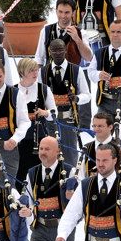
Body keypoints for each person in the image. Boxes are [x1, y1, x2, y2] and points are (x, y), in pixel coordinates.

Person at [40, 39, 91, 168]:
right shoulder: (42, 72)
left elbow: (87, 95)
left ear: (66, 50)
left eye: (61, 49)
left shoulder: (76, 70)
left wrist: (77, 98)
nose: (58, 53)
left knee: (70, 155)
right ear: (49, 51)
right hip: (49, 121)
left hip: (69, 120)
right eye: (54, 50)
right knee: (50, 154)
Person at [15, 58, 57, 187]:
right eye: (31, 70)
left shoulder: (44, 90)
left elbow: (54, 113)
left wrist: (46, 113)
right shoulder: (13, 90)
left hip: (39, 139)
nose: (35, 73)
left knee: (38, 173)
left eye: (36, 70)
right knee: (19, 173)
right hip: (19, 141)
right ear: (22, 72)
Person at [34, 0, 94, 67]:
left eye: (67, 12)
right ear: (56, 11)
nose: (63, 16)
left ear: (73, 13)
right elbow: (39, 58)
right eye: (60, 12)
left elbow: (89, 58)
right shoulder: (46, 30)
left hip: (72, 75)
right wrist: (40, 76)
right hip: (50, 75)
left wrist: (77, 39)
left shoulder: (81, 32)